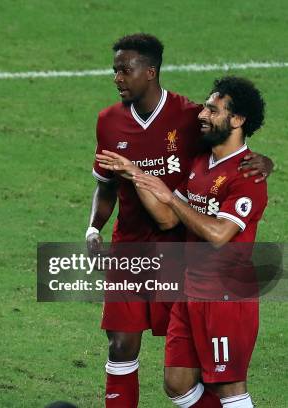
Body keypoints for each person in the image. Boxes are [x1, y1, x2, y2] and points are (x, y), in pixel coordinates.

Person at [87, 34, 272, 408]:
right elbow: (132, 200)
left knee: (217, 379)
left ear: (150, 71)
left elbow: (220, 214)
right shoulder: (111, 124)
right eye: (115, 70)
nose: (117, 78)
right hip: (141, 254)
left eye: (126, 70)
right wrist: (97, 224)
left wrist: (265, 162)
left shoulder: (193, 122)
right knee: (149, 364)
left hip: (202, 271)